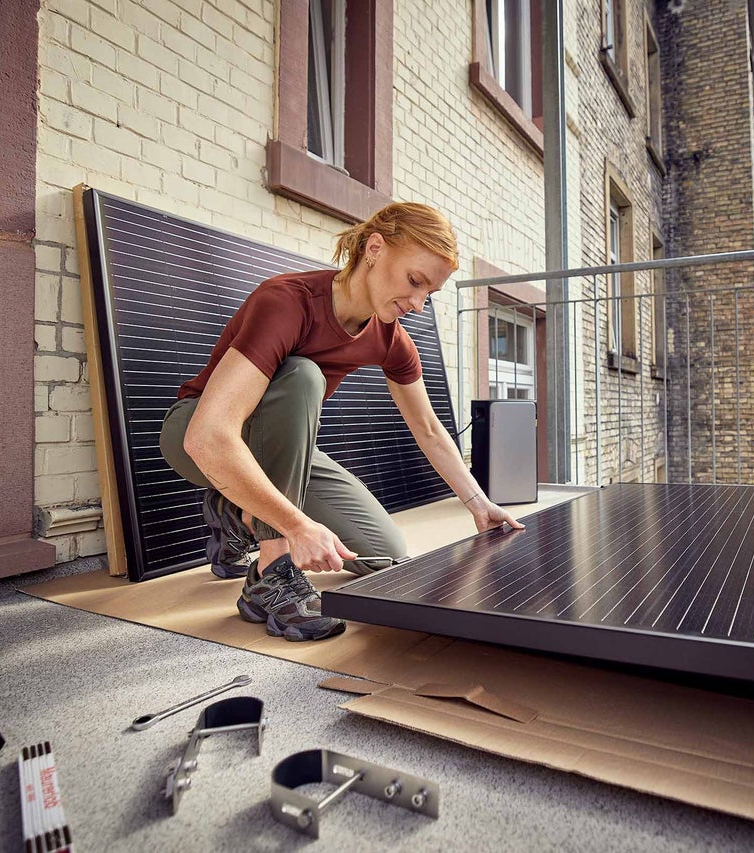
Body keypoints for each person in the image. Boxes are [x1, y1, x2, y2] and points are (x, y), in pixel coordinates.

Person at [159, 202, 524, 642]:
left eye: (429, 293)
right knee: (302, 375)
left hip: (282, 453)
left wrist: (478, 503)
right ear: (374, 249)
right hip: (198, 432)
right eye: (414, 281)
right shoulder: (286, 302)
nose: (418, 303)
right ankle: (270, 574)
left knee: (382, 553)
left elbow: (428, 428)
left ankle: (233, 509)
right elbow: (208, 436)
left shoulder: (391, 339)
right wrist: (294, 528)